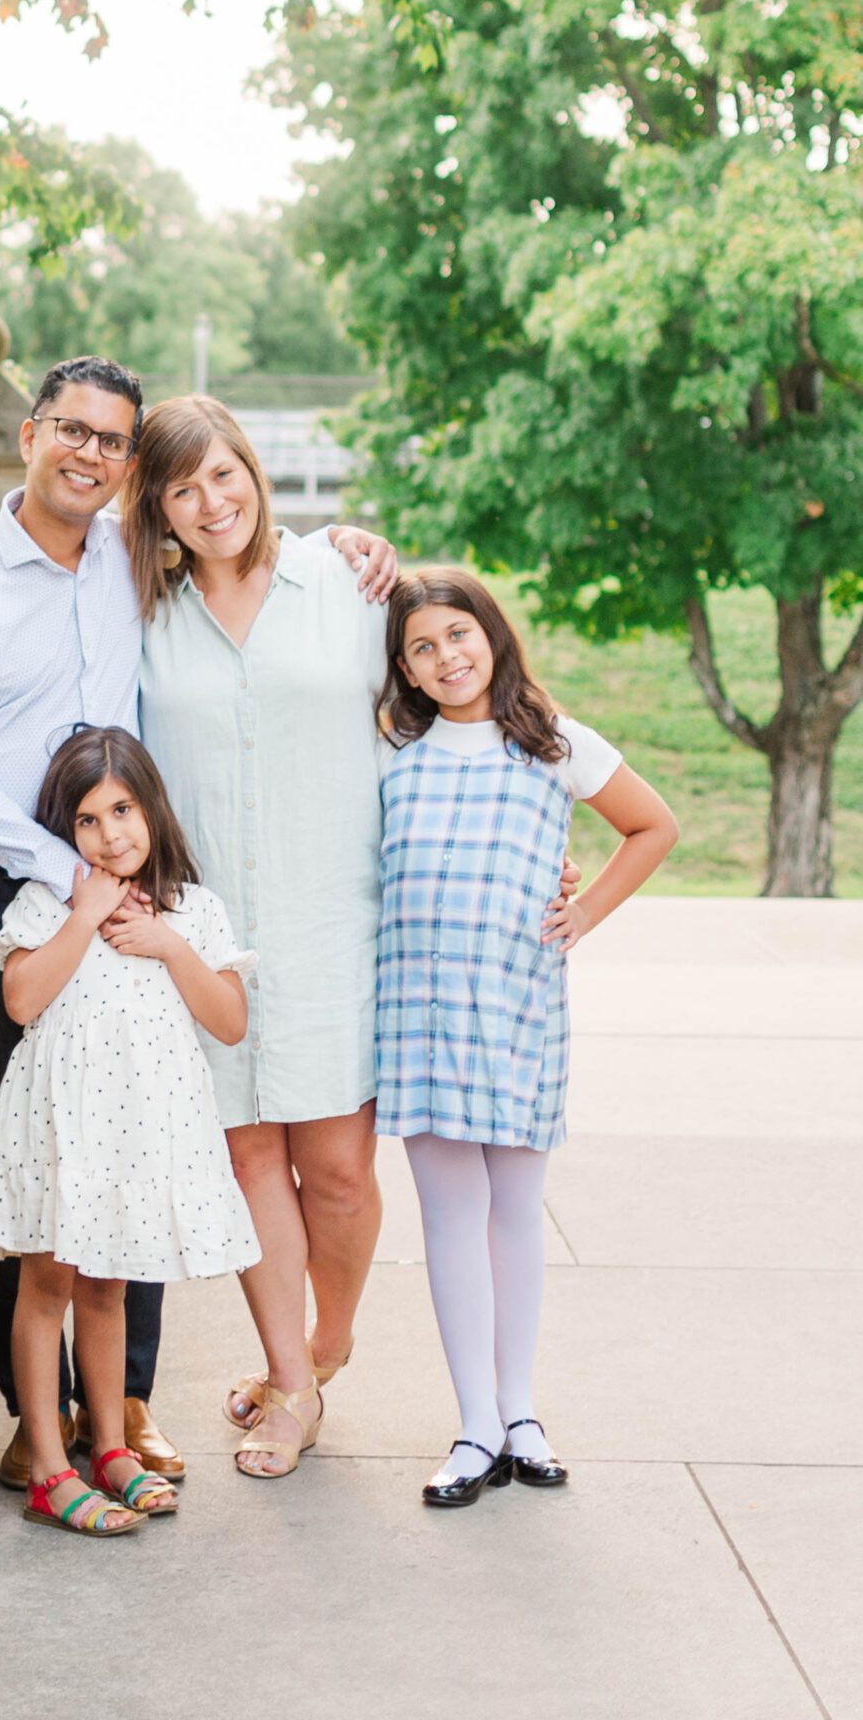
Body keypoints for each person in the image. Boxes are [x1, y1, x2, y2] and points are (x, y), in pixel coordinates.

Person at [0, 352, 391, 1490]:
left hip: (134, 895)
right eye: (70, 429)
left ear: (126, 470)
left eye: (112, 442)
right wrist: (63, 868)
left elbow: (267, 558)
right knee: (10, 1147)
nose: (89, 453)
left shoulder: (130, 568)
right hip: (2, 892)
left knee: (147, 1119)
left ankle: (121, 1404)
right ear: (28, 434)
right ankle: (41, 1420)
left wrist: (353, 543)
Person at [121, 395, 394, 1479]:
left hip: (335, 921)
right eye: (182, 488)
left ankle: (325, 1339)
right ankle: (292, 1384)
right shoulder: (142, 616)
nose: (210, 501)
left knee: (334, 1171)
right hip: (211, 934)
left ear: (252, 470)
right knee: (247, 1161)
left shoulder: (346, 581)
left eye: (223, 474)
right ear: (160, 509)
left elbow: (445, 694)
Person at [375, 569, 678, 1507]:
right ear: (407, 671)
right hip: (418, 1008)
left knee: (515, 1208)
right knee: (450, 1215)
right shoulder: (389, 752)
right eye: (422, 648)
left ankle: (521, 1413)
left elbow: (652, 825)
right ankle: (473, 1425)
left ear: (493, 638)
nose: (446, 657)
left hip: (517, 1008)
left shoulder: (552, 745)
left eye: (459, 634)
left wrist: (581, 914)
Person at [0, 727, 260, 1536]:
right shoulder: (46, 903)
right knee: (47, 1284)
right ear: (65, 832)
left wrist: (165, 944)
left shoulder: (193, 909)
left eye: (122, 809)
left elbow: (229, 1021)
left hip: (139, 1138)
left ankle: (113, 1449)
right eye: (87, 820)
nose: (111, 833)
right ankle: (52, 1468)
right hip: (64, 1134)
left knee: (110, 1285)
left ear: (150, 806)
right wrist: (83, 916)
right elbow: (21, 1001)